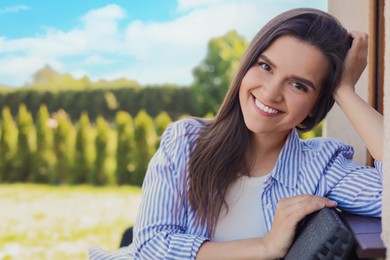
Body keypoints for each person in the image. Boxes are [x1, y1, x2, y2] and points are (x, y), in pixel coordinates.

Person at [89, 7, 383, 260]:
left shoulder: (321, 168)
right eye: (265, 66)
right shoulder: (185, 142)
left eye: (298, 85)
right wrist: (264, 246)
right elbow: (149, 249)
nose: (270, 92)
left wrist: (345, 92)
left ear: (315, 106)